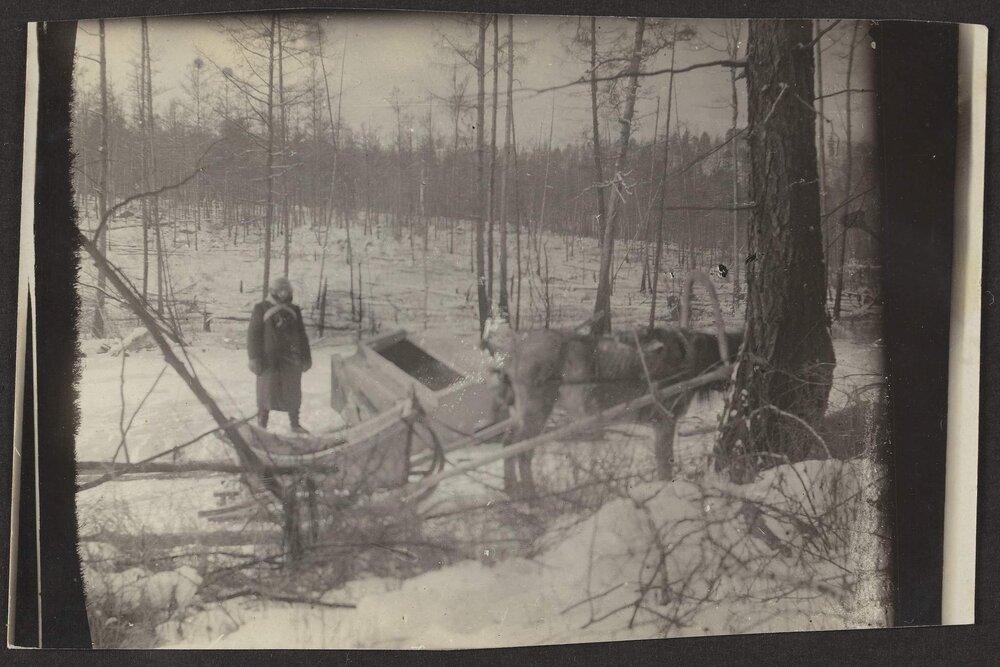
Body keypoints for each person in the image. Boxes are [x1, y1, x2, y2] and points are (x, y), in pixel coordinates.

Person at [247, 276, 312, 433]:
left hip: (291, 360)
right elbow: (253, 335)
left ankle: (295, 424)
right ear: (273, 291)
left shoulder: (294, 310)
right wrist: (254, 358)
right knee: (265, 393)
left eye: (286, 290)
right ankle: (262, 426)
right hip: (269, 361)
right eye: (280, 290)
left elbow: (302, 335)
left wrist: (306, 357)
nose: (283, 294)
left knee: (293, 392)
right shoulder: (261, 308)